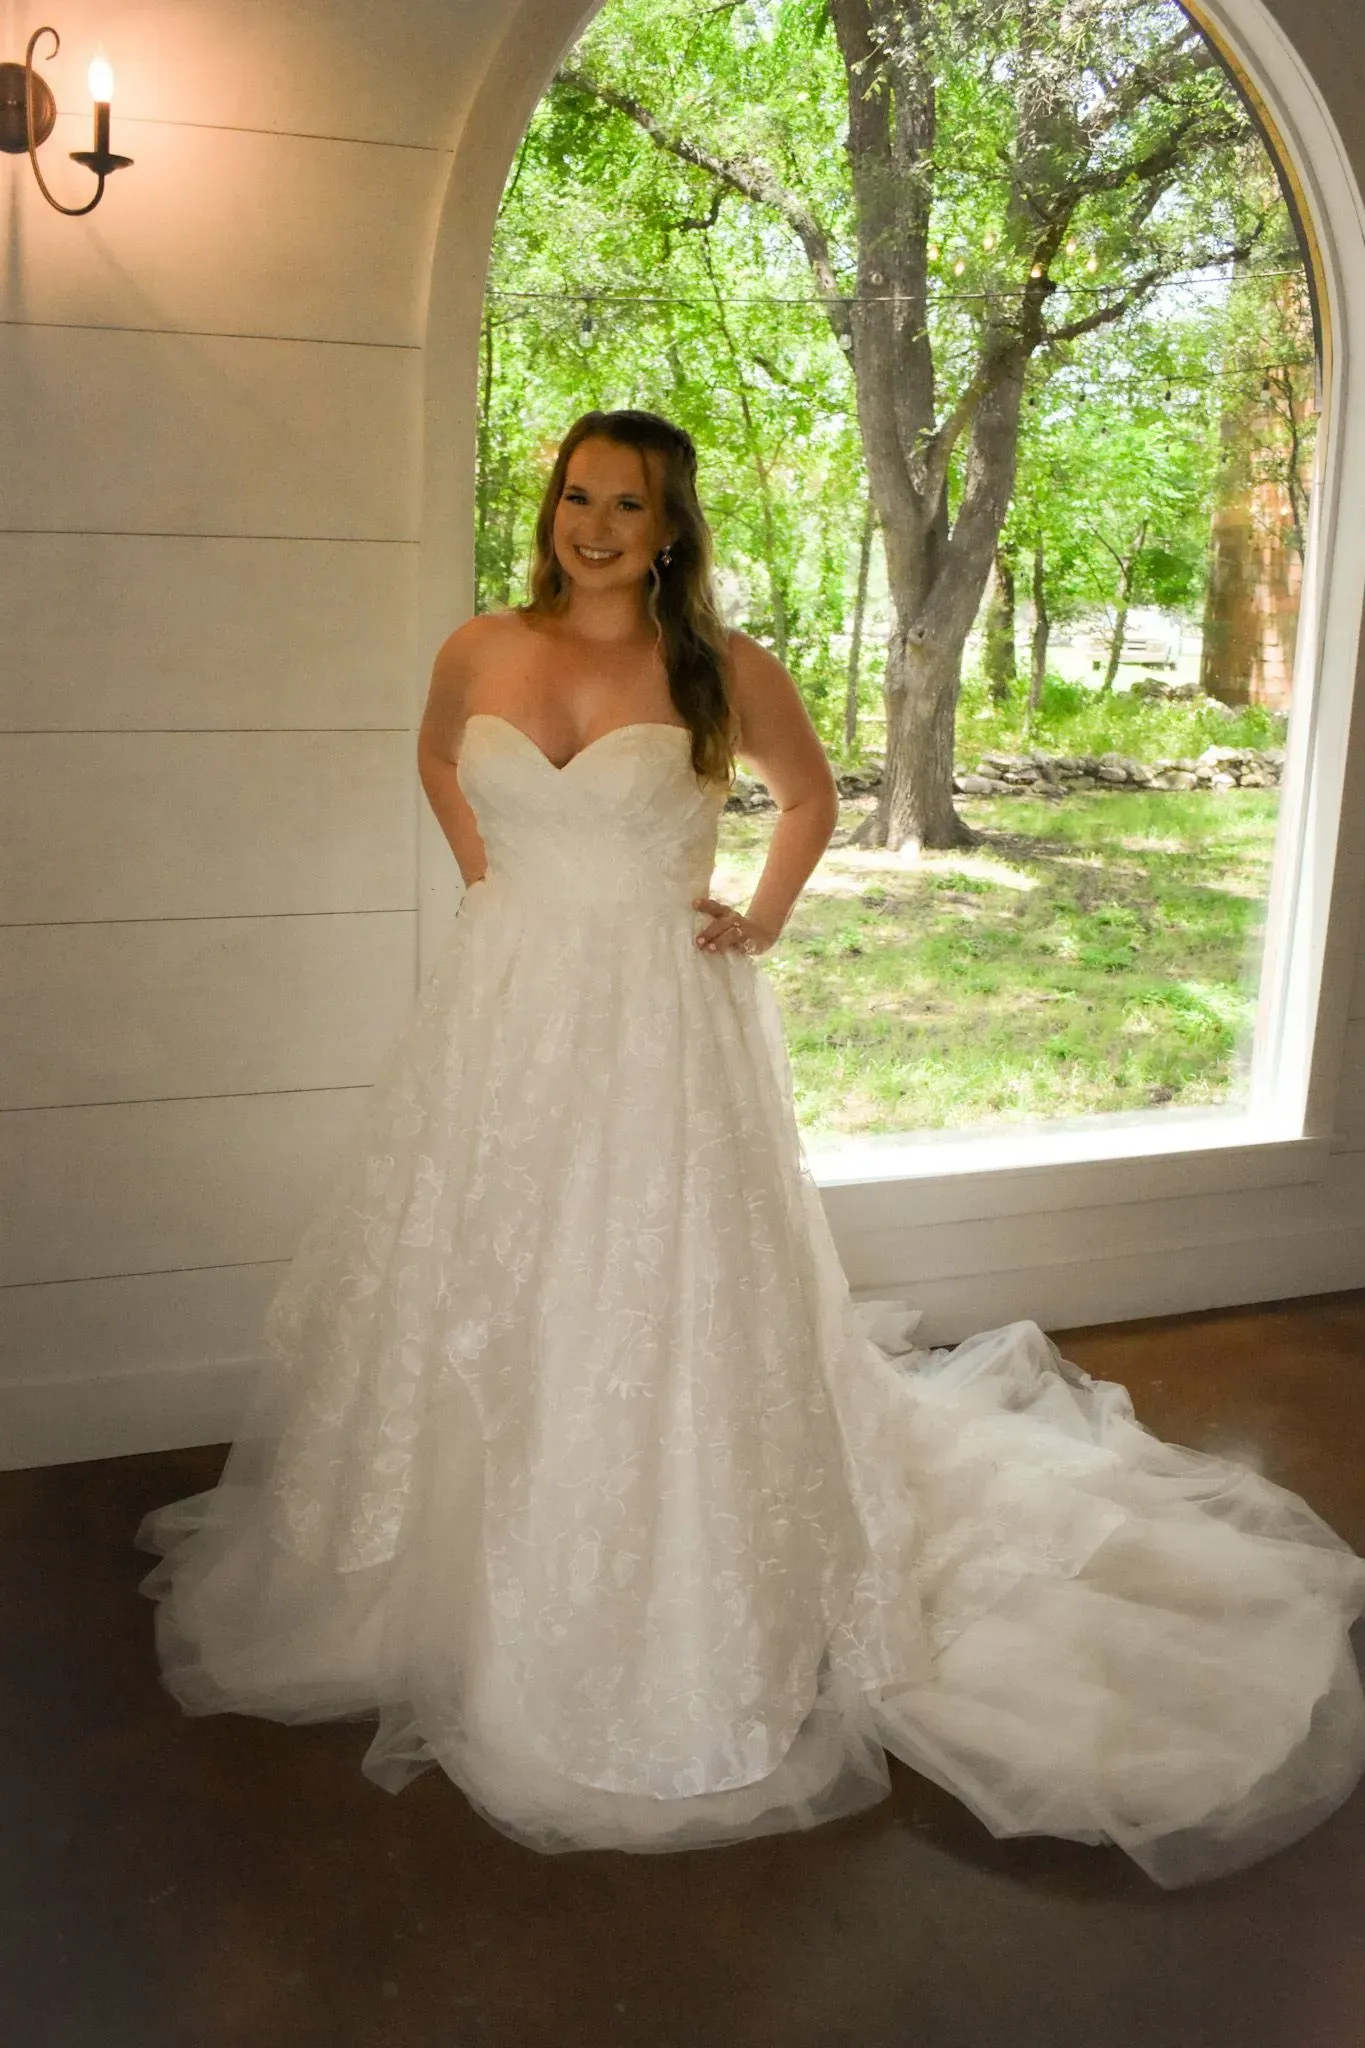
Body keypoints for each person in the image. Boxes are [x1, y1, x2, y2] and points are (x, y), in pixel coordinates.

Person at [137, 408, 1365, 1887]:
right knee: (481, 1268)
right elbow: (436, 757)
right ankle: (451, 1567)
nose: (595, 526)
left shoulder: (721, 668)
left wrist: (758, 920)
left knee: (645, 1285)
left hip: (660, 1023)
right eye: (578, 495)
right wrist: (492, 880)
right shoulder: (478, 647)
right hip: (503, 1012)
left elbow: (817, 796)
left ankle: (664, 1572)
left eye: (629, 504)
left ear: (671, 528)